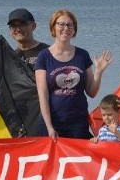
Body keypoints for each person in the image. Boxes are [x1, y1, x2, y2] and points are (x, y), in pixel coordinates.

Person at [35, 9, 113, 140]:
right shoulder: (44, 56)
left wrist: (98, 72)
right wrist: (49, 127)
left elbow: (92, 92)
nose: (65, 28)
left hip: (78, 122)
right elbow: (43, 95)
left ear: (74, 29)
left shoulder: (82, 55)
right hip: (52, 122)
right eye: (61, 24)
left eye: (70, 25)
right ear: (53, 27)